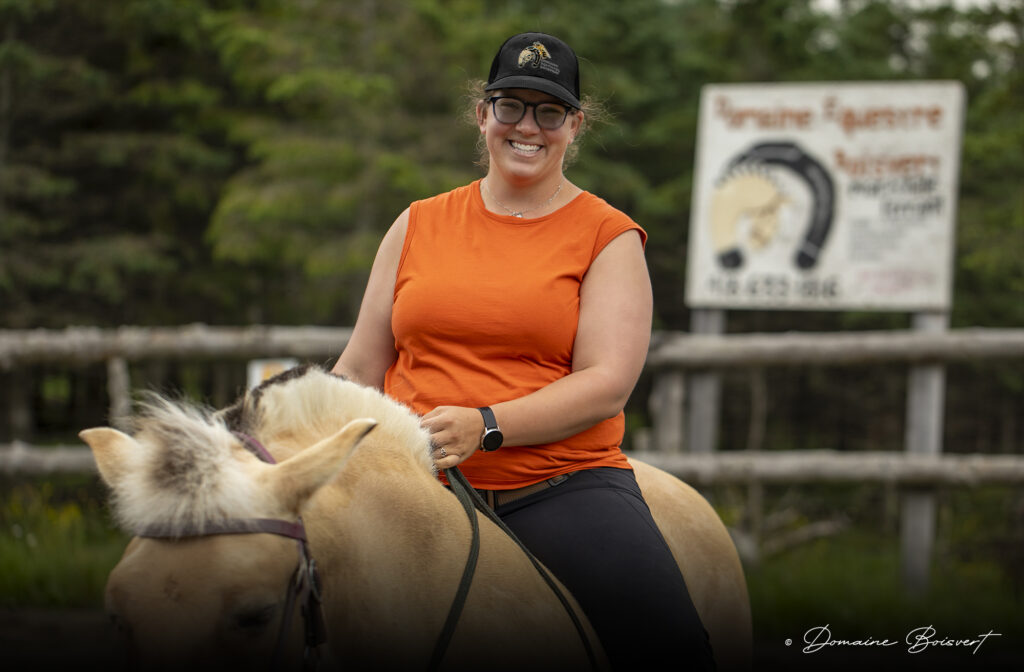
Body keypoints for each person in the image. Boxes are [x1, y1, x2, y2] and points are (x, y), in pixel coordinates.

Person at [332, 31, 715, 671]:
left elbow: (607, 382)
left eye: (549, 112)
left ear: (575, 125)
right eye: (510, 105)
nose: (527, 127)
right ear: (482, 114)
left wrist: (487, 425)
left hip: (556, 485)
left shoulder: (607, 235)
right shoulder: (417, 222)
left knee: (669, 646)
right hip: (407, 480)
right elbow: (359, 367)